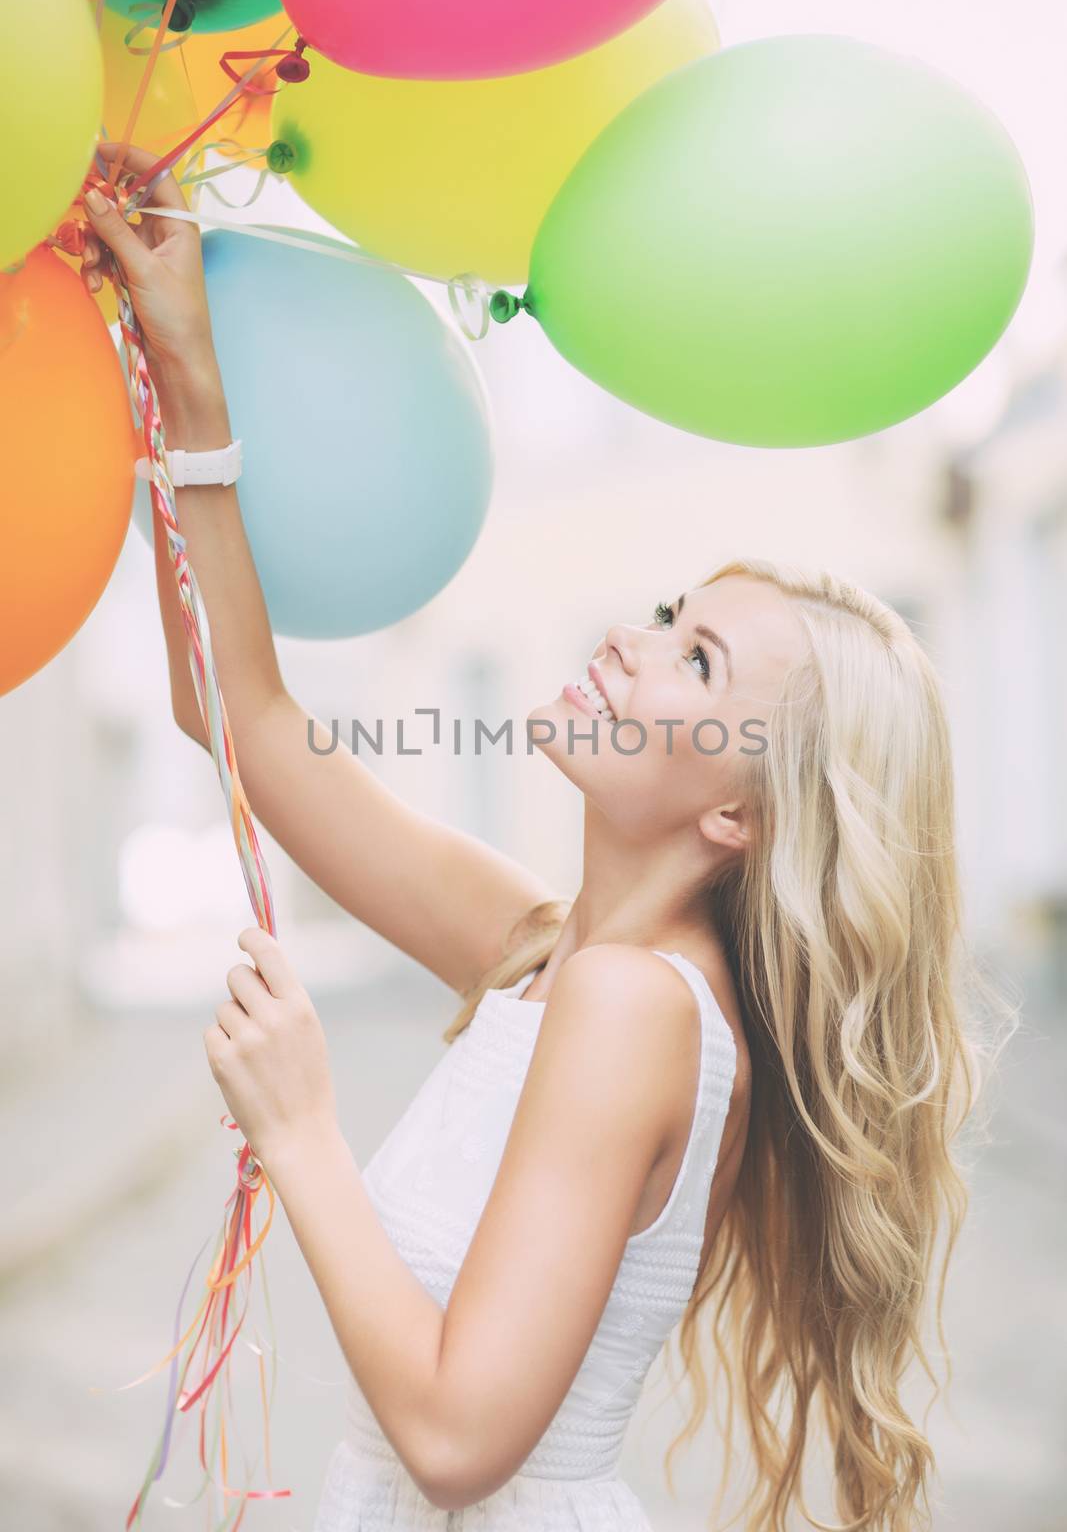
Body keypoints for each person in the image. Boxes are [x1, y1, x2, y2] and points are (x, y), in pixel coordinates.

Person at [81, 144, 1013, 1532]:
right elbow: (246, 717)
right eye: (667, 618)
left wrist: (304, 1126)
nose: (629, 652)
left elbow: (459, 1440)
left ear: (739, 816)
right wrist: (186, 368)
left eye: (695, 662)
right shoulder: (546, 949)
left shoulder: (634, 1008)